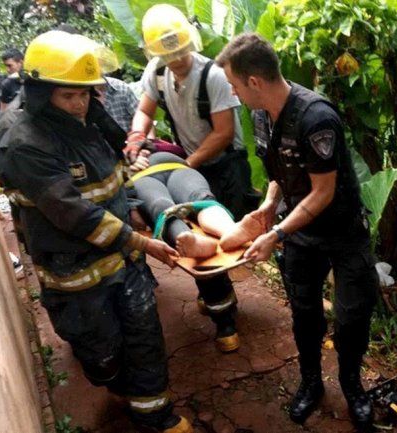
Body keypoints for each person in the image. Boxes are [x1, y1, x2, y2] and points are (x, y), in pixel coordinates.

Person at [0, 30, 192, 433]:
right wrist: (141, 241)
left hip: (124, 260)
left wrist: (137, 213)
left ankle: (154, 413)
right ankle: (117, 384)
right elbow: (75, 213)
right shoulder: (25, 145)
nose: (80, 103)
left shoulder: (91, 125)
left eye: (85, 94)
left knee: (144, 335)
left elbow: (115, 181)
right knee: (102, 355)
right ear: (40, 91)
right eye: (69, 95)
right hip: (77, 275)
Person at [216, 33, 379, 429]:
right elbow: (278, 173)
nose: (234, 95)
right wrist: (269, 206)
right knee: (305, 314)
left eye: (235, 86)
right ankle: (310, 383)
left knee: (352, 315)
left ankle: (352, 385)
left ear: (254, 82)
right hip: (300, 233)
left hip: (341, 231)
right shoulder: (260, 116)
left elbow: (322, 193)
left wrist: (277, 234)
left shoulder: (316, 117)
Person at [128, 4, 258, 353]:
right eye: (167, 54)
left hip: (223, 162)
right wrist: (137, 139)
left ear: (190, 44)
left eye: (180, 52)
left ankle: (222, 308)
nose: (175, 59)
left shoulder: (213, 75)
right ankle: (219, 300)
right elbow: (144, 110)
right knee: (183, 209)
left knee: (205, 221)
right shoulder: (157, 74)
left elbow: (223, 132)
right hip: (187, 163)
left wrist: (188, 164)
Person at [130, 152, 263, 258]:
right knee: (161, 206)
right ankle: (191, 240)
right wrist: (131, 207)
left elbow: (144, 122)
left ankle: (230, 231)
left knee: (201, 197)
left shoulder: (139, 131)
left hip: (177, 167)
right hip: (140, 177)